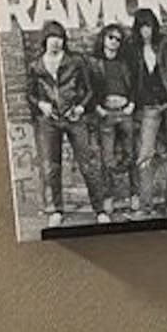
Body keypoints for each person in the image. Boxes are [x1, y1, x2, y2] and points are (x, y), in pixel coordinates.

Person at [26, 21, 109, 227]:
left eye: (60, 38)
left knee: (87, 164)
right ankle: (56, 210)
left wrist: (81, 107)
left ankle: (99, 210)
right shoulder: (36, 65)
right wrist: (41, 104)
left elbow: (90, 90)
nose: (56, 42)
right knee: (51, 167)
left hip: (74, 118)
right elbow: (30, 94)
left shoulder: (75, 61)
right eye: (52, 38)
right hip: (49, 121)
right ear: (45, 40)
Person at [128, 8, 167, 217]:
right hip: (149, 106)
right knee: (145, 155)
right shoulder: (132, 48)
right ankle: (145, 206)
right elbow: (130, 77)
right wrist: (132, 102)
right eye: (142, 27)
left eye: (149, 26)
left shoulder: (164, 42)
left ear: (154, 26)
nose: (146, 31)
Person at [90, 24, 138, 217]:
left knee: (131, 153)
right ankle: (108, 196)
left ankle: (134, 194)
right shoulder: (94, 63)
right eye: (111, 37)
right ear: (103, 38)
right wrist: (96, 107)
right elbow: (87, 86)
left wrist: (132, 103)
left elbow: (135, 84)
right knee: (107, 158)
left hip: (125, 111)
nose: (114, 42)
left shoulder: (125, 62)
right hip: (106, 113)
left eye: (118, 39)